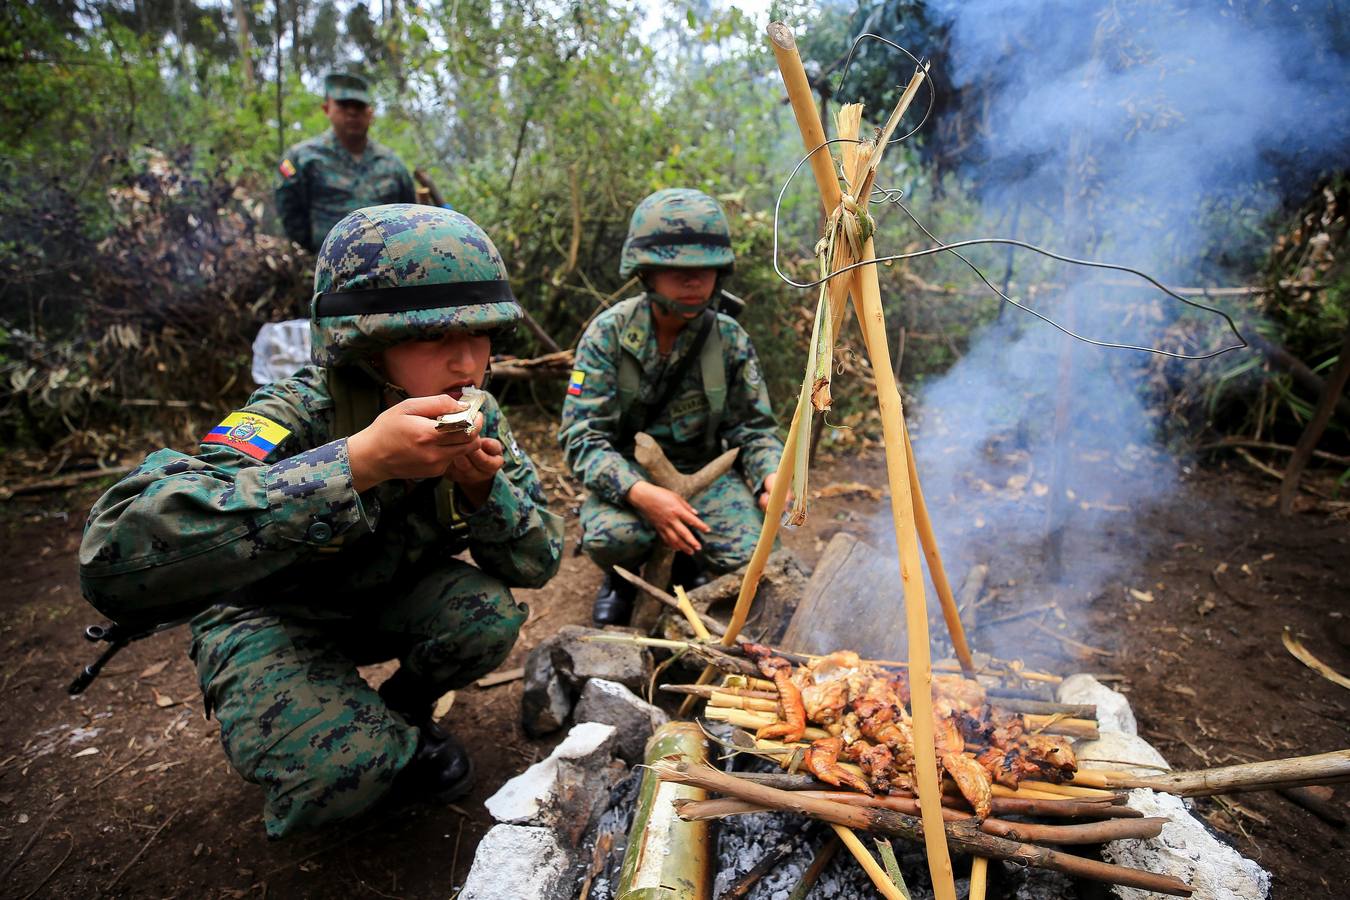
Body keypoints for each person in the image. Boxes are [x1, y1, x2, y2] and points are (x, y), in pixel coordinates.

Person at [78, 204, 564, 838]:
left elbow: (538, 562)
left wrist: (482, 490)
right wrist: (358, 462)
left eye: (481, 335)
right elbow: (114, 551)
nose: (466, 363)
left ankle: (405, 716)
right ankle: (368, 746)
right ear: (363, 342)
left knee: (487, 617)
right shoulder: (295, 413)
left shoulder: (477, 413)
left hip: (376, 599)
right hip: (270, 615)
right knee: (344, 772)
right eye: (432, 337)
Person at [558, 188, 784, 625]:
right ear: (645, 271)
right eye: (677, 268)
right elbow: (581, 437)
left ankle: (689, 563)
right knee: (612, 536)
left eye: (706, 268)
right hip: (632, 478)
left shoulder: (729, 340)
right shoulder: (609, 335)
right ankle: (622, 580)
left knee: (760, 555)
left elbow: (754, 431)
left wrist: (770, 475)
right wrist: (643, 495)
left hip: (705, 479)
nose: (695, 280)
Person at [275, 71, 417, 253]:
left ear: (370, 112)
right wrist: (317, 250)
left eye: (359, 106)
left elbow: (409, 213)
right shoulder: (303, 158)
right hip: (328, 268)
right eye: (343, 105)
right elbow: (289, 211)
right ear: (327, 109)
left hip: (389, 271)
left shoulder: (392, 163)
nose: (352, 113)